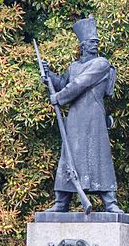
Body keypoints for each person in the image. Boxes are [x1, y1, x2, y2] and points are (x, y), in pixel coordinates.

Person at [42, 15, 122, 213]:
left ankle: (110, 202)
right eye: (91, 42)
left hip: (94, 117)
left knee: (99, 156)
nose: (95, 45)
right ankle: (61, 202)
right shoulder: (73, 66)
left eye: (96, 42)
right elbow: (65, 83)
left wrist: (59, 97)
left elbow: (80, 85)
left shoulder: (101, 64)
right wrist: (49, 75)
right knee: (69, 157)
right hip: (75, 119)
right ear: (83, 45)